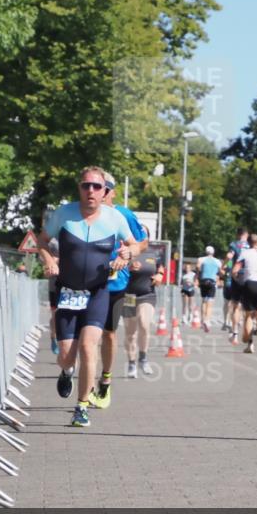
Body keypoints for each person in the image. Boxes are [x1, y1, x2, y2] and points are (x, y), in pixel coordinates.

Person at [37, 167, 140, 428]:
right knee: (66, 355)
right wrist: (49, 260)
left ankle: (82, 406)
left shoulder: (115, 218)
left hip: (98, 292)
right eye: (86, 186)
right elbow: (42, 241)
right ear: (79, 188)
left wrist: (126, 254)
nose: (91, 191)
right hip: (68, 292)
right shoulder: (63, 214)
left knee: (88, 346)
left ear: (105, 190)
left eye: (97, 187)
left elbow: (135, 244)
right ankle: (66, 371)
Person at [89, 172, 148, 410]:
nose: (98, 191)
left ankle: (105, 379)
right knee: (87, 336)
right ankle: (86, 386)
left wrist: (129, 254)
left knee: (108, 334)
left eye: (104, 187)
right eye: (93, 186)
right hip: (88, 281)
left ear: (111, 191)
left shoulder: (123, 214)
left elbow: (142, 242)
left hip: (116, 283)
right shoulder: (84, 214)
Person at [123, 226, 164, 378]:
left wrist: (160, 274)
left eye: (143, 234)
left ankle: (143, 358)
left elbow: (160, 267)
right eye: (137, 233)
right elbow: (114, 269)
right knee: (130, 332)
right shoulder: (126, 251)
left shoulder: (154, 253)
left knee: (145, 324)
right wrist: (127, 267)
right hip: (128, 295)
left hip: (147, 293)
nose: (140, 236)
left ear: (147, 237)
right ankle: (132, 363)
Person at [227, 228, 250, 344]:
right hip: (249, 277)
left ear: (238, 234)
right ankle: (248, 334)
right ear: (247, 235)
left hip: (237, 276)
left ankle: (235, 333)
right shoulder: (251, 246)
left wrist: (224, 265)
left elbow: (230, 256)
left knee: (235, 305)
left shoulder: (234, 244)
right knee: (247, 307)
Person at [196, 245, 222, 332]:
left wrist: (198, 275)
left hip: (203, 281)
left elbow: (198, 267)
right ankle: (207, 320)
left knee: (204, 301)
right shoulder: (217, 261)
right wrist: (218, 276)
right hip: (212, 281)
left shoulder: (201, 259)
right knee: (210, 303)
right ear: (213, 252)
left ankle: (203, 319)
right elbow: (220, 271)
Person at [220, 250, 236, 331]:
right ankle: (226, 322)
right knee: (227, 303)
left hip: (235, 284)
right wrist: (224, 274)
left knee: (233, 304)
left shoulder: (239, 261)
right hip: (228, 284)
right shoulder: (230, 262)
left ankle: (230, 323)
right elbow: (222, 269)